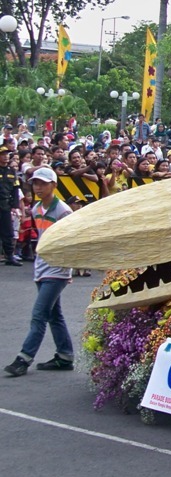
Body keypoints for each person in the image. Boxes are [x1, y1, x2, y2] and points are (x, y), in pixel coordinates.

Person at [3, 167, 75, 377]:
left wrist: (66, 268)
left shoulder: (63, 211)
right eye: (36, 183)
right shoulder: (35, 209)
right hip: (41, 267)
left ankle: (24, 358)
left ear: (54, 185)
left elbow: (68, 243)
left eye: (43, 183)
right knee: (54, 315)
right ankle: (65, 356)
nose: (38, 187)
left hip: (57, 270)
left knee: (39, 315)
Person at [0, 147, 21, 266]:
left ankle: (9, 256)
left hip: (6, 205)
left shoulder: (11, 171)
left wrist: (15, 206)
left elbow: (15, 190)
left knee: (8, 232)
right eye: (3, 154)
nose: (5, 156)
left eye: (7, 154)